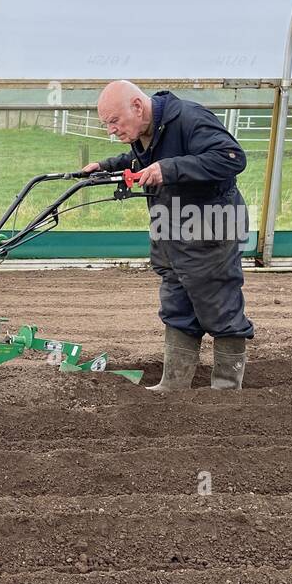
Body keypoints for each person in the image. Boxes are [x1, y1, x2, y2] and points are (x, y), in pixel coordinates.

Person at [82, 80, 253, 390]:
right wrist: (106, 167)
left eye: (114, 121)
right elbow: (144, 161)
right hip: (171, 229)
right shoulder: (148, 130)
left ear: (136, 106)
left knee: (219, 303)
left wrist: (170, 169)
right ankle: (173, 386)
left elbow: (231, 158)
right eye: (107, 124)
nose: (111, 131)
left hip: (211, 226)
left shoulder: (189, 118)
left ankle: (227, 391)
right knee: (176, 302)